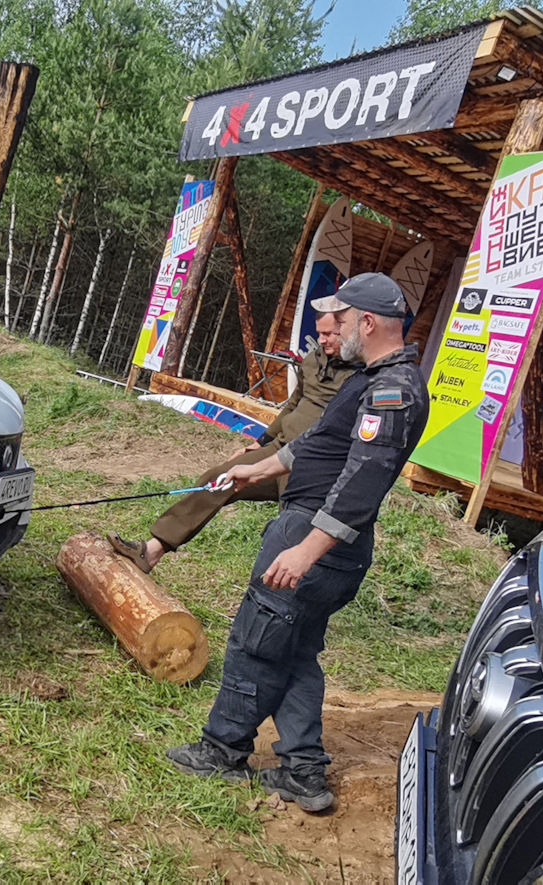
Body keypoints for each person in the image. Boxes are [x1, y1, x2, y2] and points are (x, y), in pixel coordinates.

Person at [163, 272, 429, 813]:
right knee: (295, 651)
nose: (332, 329)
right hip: (309, 529)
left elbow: (363, 480)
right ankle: (304, 773)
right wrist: (256, 469)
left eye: (343, 319)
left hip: (314, 535)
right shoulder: (369, 377)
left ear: (368, 322)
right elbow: (317, 440)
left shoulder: (393, 391)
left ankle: (222, 749)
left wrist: (307, 549)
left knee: (255, 641)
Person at [106, 312, 359, 573]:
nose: (322, 340)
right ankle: (152, 551)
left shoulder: (360, 376)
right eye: (320, 333)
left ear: (349, 331)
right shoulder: (314, 359)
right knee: (218, 479)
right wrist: (261, 442)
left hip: (312, 463)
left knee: (292, 527)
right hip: (278, 448)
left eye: (330, 334)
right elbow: (292, 405)